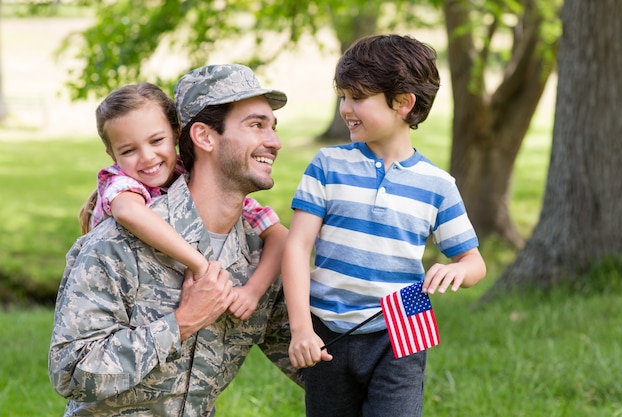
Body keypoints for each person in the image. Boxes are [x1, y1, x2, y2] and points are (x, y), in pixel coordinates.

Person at [49, 64, 299, 416]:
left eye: (273, 127)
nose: (274, 142)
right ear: (204, 137)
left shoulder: (256, 255)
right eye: (256, 125)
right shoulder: (116, 243)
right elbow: (69, 372)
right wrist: (182, 322)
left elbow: (314, 360)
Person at [282, 34, 487, 417]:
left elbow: (474, 263)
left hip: (403, 331)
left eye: (357, 97)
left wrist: (455, 268)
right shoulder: (327, 166)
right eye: (342, 96)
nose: (345, 108)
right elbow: (296, 247)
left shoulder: (437, 185)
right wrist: (301, 329)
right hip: (329, 329)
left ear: (403, 104)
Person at [78, 82, 287, 319]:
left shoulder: (183, 175)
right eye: (128, 151)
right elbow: (128, 212)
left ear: (176, 134)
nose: (147, 157)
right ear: (112, 155)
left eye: (157, 141)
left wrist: (253, 291)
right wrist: (200, 264)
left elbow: (280, 235)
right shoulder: (122, 183)